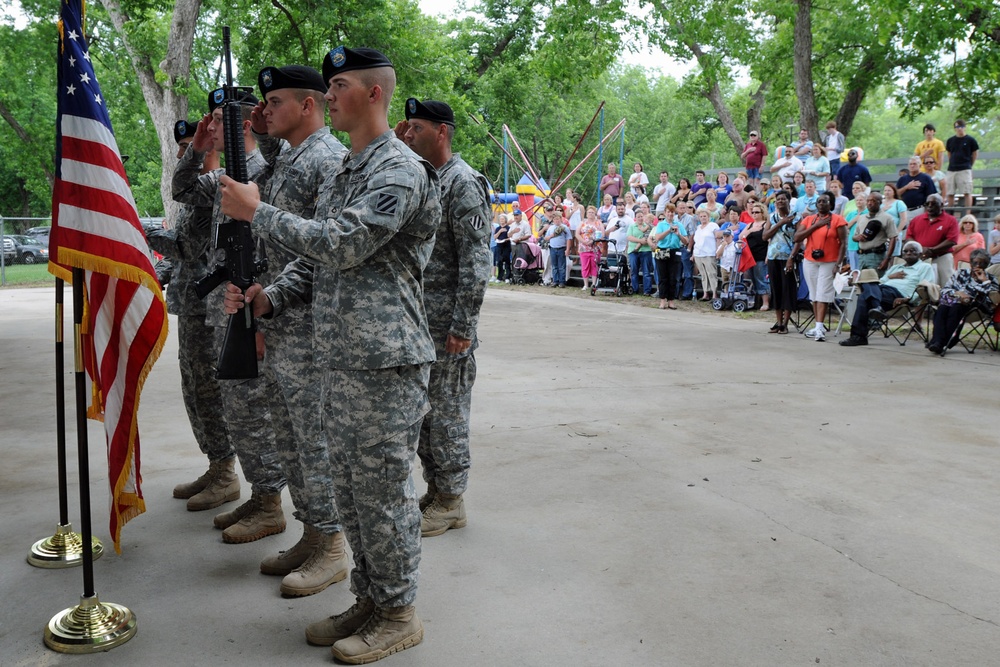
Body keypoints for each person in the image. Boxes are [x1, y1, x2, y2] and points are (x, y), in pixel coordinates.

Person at [220, 46, 440, 662]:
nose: (331, 93)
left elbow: (343, 244)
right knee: (349, 489)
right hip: (339, 356)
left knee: (384, 493)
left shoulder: (398, 169)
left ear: (373, 93)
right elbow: (316, 262)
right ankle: (370, 598)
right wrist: (272, 297)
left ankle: (399, 611)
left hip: (385, 360)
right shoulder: (348, 169)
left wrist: (258, 212)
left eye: (340, 84)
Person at [238, 64, 354, 595]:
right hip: (282, 321)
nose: (265, 111)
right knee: (290, 438)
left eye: (276, 101)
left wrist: (276, 295)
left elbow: (322, 250)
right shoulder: (290, 158)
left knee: (315, 442)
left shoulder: (327, 159)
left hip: (310, 327)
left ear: (308, 106)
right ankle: (313, 531)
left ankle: (333, 545)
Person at [172, 87, 289, 542]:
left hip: (256, 303)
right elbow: (182, 189)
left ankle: (269, 501)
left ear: (243, 126)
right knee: (233, 408)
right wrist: (197, 149)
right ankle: (256, 495)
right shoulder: (218, 181)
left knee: (254, 411)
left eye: (218, 121)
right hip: (222, 304)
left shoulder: (267, 171)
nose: (210, 125)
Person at [394, 97, 491, 540]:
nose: (409, 134)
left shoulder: (463, 183)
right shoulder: (424, 179)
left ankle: (452, 500)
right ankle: (437, 491)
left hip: (446, 328)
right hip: (418, 325)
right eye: (407, 128)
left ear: (442, 132)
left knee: (448, 414)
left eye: (416, 128)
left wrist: (462, 328)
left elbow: (476, 263)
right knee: (426, 415)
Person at [146, 120, 235, 510]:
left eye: (189, 147)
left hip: (208, 310)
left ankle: (226, 472)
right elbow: (179, 261)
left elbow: (186, 246)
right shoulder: (196, 197)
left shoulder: (214, 189)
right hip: (189, 305)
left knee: (209, 392)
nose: (184, 154)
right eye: (181, 148)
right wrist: (155, 273)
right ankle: (215, 465)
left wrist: (137, 231)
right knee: (193, 390)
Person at [838, 241, 936, 347]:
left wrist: (909, 299)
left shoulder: (925, 267)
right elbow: (880, 281)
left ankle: (858, 337)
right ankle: (877, 307)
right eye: (905, 251)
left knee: (863, 297)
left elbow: (925, 287)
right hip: (882, 291)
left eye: (912, 251)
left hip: (898, 295)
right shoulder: (895, 268)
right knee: (868, 283)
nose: (908, 253)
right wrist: (890, 277)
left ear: (921, 254)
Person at [790, 191, 848, 341]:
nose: (822, 204)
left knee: (823, 293)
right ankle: (818, 326)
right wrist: (816, 226)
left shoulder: (838, 220)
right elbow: (797, 237)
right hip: (810, 261)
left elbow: (843, 244)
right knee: (814, 294)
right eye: (819, 201)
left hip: (830, 261)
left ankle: (819, 327)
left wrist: (838, 264)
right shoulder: (809, 219)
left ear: (831, 204)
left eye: (825, 201)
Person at [925, 249, 998, 354]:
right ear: (970, 262)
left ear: (987, 265)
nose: (978, 265)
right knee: (942, 308)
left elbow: (989, 296)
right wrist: (958, 294)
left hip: (974, 306)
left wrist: (984, 281)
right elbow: (945, 289)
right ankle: (939, 342)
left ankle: (939, 342)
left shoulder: (990, 278)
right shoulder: (960, 273)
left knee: (956, 308)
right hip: (954, 300)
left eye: (982, 263)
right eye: (975, 262)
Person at [763, 191, 799, 333]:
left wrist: (791, 257)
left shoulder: (796, 217)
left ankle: (785, 323)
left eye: (783, 199)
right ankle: (778, 321)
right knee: (776, 289)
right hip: (773, 257)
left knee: (787, 290)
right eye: (778, 199)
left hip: (788, 258)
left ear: (789, 201)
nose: (780, 201)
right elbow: (765, 236)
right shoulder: (772, 217)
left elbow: (798, 239)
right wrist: (781, 223)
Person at [906, 194, 958, 286]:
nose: (929, 206)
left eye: (933, 203)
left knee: (946, 284)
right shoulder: (917, 219)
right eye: (927, 203)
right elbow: (909, 237)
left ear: (941, 205)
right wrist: (919, 249)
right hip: (920, 257)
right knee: (919, 285)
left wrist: (931, 250)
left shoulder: (951, 220)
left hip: (941, 257)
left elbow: (952, 240)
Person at [851, 191, 898, 274]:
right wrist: (857, 237)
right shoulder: (861, 218)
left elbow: (893, 238)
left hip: (877, 255)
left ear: (879, 202)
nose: (869, 203)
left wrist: (887, 259)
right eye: (868, 201)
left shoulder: (887, 218)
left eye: (872, 201)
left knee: (876, 282)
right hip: (861, 255)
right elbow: (854, 236)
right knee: (862, 283)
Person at [651, 204, 687, 309]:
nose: (670, 214)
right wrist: (668, 230)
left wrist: (678, 234)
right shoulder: (661, 225)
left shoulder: (679, 225)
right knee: (662, 276)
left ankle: (671, 300)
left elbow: (686, 240)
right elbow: (657, 238)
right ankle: (662, 300)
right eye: (668, 212)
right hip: (662, 250)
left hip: (674, 251)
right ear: (665, 213)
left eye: (672, 212)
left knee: (673, 277)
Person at [945, 119, 979, 212]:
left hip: (964, 168)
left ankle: (968, 212)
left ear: (965, 127)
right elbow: (949, 153)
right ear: (955, 128)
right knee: (950, 192)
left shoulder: (970, 140)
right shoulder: (950, 140)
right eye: (957, 127)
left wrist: (970, 164)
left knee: (967, 192)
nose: (959, 129)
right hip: (951, 169)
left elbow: (975, 153)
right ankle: (950, 213)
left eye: (961, 127)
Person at [742, 203, 770, 310]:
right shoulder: (750, 225)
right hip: (750, 256)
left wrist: (767, 256)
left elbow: (769, 241)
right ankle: (756, 302)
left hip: (761, 256)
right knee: (752, 279)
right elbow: (741, 236)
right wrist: (750, 230)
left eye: (757, 212)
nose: (754, 214)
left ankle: (766, 302)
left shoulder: (765, 225)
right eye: (752, 212)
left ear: (762, 213)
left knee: (761, 279)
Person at [692, 209, 721, 301]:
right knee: (703, 275)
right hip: (698, 254)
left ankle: (714, 294)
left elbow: (718, 238)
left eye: (705, 216)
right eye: (701, 216)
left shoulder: (713, 225)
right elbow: (696, 242)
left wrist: (718, 250)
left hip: (709, 253)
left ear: (708, 217)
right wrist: (693, 254)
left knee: (711, 273)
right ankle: (705, 293)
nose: (703, 218)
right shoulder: (698, 227)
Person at [626, 212, 655, 295]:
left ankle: (647, 290)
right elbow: (629, 237)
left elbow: (650, 237)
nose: (640, 218)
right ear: (635, 218)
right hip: (633, 251)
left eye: (642, 216)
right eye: (638, 217)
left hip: (646, 250)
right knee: (634, 271)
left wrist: (644, 241)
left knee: (646, 272)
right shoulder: (632, 226)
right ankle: (635, 289)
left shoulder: (647, 226)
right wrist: (640, 241)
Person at [576, 206, 604, 291]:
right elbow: (577, 234)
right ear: (586, 214)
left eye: (592, 212)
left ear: (595, 214)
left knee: (594, 266)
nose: (590, 214)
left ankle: (594, 283)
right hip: (584, 248)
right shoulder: (582, 223)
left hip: (595, 247)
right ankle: (585, 284)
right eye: (589, 212)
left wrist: (593, 241)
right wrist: (583, 242)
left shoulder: (598, 223)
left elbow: (602, 235)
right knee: (585, 266)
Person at [545, 205, 571, 287]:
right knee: (554, 266)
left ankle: (562, 281)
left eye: (558, 219)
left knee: (562, 266)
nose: (556, 220)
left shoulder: (564, 227)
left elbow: (569, 238)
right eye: (555, 219)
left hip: (561, 248)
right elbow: (546, 237)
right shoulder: (551, 228)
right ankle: (555, 280)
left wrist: (567, 249)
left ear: (561, 219)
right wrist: (551, 236)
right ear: (553, 220)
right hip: (553, 248)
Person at [493, 213, 512, 282]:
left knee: (507, 261)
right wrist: (500, 231)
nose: (501, 220)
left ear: (505, 220)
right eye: (500, 219)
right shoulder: (498, 228)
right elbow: (494, 237)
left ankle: (507, 277)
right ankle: (499, 277)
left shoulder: (508, 228)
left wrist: (505, 240)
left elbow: (511, 237)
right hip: (499, 245)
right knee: (499, 261)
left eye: (503, 219)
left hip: (506, 245)